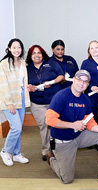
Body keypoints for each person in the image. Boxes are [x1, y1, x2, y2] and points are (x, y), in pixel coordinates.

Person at [45, 70, 98, 185]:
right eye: (79, 80)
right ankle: (51, 158)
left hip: (79, 135)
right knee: (67, 179)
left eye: (85, 81)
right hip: (64, 141)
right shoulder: (61, 96)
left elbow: (90, 122)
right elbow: (49, 120)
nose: (82, 83)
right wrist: (72, 125)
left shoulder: (86, 100)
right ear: (74, 79)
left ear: (88, 85)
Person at [26, 45, 65, 161]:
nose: (36, 55)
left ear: (42, 54)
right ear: (30, 56)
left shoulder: (51, 63)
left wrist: (52, 82)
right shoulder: (27, 68)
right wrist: (30, 87)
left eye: (39, 53)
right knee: (44, 125)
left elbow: (61, 76)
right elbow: (24, 84)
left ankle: (59, 148)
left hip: (54, 101)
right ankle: (46, 150)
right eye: (34, 53)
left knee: (57, 124)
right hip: (37, 103)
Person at [0, 38, 30, 166]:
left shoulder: (23, 63)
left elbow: (23, 82)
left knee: (18, 128)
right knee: (16, 127)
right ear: (9, 48)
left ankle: (17, 154)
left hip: (21, 97)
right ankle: (5, 151)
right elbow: (3, 84)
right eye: (14, 47)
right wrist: (9, 102)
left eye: (19, 47)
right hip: (9, 99)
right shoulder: (4, 63)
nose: (17, 50)